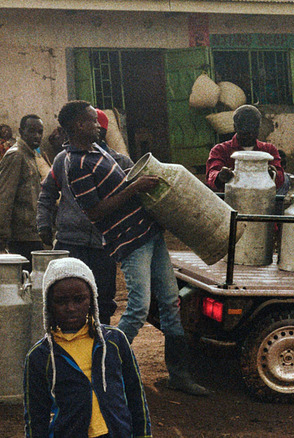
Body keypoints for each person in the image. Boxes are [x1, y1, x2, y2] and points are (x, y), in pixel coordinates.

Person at [60, 100, 209, 396]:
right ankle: (102, 367)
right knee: (138, 308)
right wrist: (134, 189)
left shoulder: (97, 151)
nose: (99, 126)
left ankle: (179, 375)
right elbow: (94, 212)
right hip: (129, 240)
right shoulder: (76, 163)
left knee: (170, 302)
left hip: (148, 233)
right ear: (78, 125)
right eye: (92, 121)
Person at [24, 257, 152, 437]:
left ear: (92, 299)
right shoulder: (40, 356)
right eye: (61, 301)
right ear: (48, 305)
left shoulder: (114, 341)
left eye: (79, 299)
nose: (70, 308)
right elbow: (36, 418)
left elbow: (136, 397)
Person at [38, 109, 132, 324]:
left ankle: (100, 345)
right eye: (95, 125)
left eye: (102, 128)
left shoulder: (117, 162)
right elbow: (47, 194)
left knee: (103, 301)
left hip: (103, 244)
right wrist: (44, 225)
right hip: (71, 242)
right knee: (66, 303)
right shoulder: (64, 160)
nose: (99, 130)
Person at [0, 114, 46, 268]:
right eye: (32, 131)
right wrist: (2, 237)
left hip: (32, 233)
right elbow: (5, 197)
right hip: (20, 237)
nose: (37, 136)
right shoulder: (16, 155)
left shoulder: (31, 155)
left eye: (40, 132)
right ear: (21, 131)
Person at [206, 105, 285, 193]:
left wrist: (273, 175)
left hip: (261, 198)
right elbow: (211, 174)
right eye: (245, 132)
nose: (250, 136)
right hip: (230, 198)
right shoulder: (220, 150)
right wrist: (220, 176)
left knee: (287, 180)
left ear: (259, 128)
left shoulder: (269, 149)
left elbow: (280, 177)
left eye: (253, 131)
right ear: (235, 128)